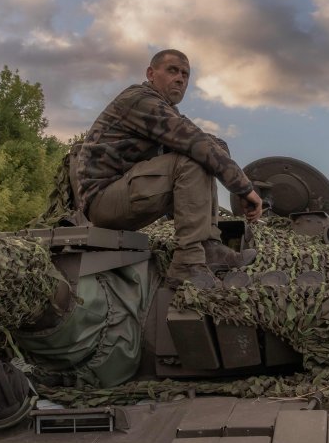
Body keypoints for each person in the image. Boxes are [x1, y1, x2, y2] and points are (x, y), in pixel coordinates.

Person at [75, 49, 263, 287]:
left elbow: (204, 142)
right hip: (104, 200)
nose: (180, 79)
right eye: (172, 70)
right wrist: (244, 188)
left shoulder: (164, 109)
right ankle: (187, 263)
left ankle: (208, 246)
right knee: (193, 156)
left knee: (215, 146)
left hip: (130, 194)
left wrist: (224, 159)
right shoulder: (138, 100)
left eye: (185, 74)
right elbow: (193, 142)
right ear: (151, 73)